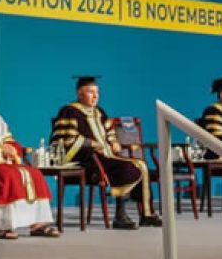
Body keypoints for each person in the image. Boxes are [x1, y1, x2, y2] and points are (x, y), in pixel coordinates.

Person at [50, 76, 161, 229]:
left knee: (141, 166)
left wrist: (113, 142)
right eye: (91, 92)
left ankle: (146, 214)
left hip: (105, 157)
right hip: (85, 160)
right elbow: (65, 139)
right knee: (126, 168)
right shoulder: (69, 111)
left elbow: (109, 133)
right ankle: (120, 216)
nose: (95, 96)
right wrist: (92, 144)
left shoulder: (100, 112)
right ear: (80, 94)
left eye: (97, 92)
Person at [0, 114, 60, 238]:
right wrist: (0, 149)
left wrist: (11, 148)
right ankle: (3, 225)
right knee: (9, 175)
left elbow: (9, 140)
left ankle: (38, 224)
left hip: (5, 161)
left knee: (35, 173)